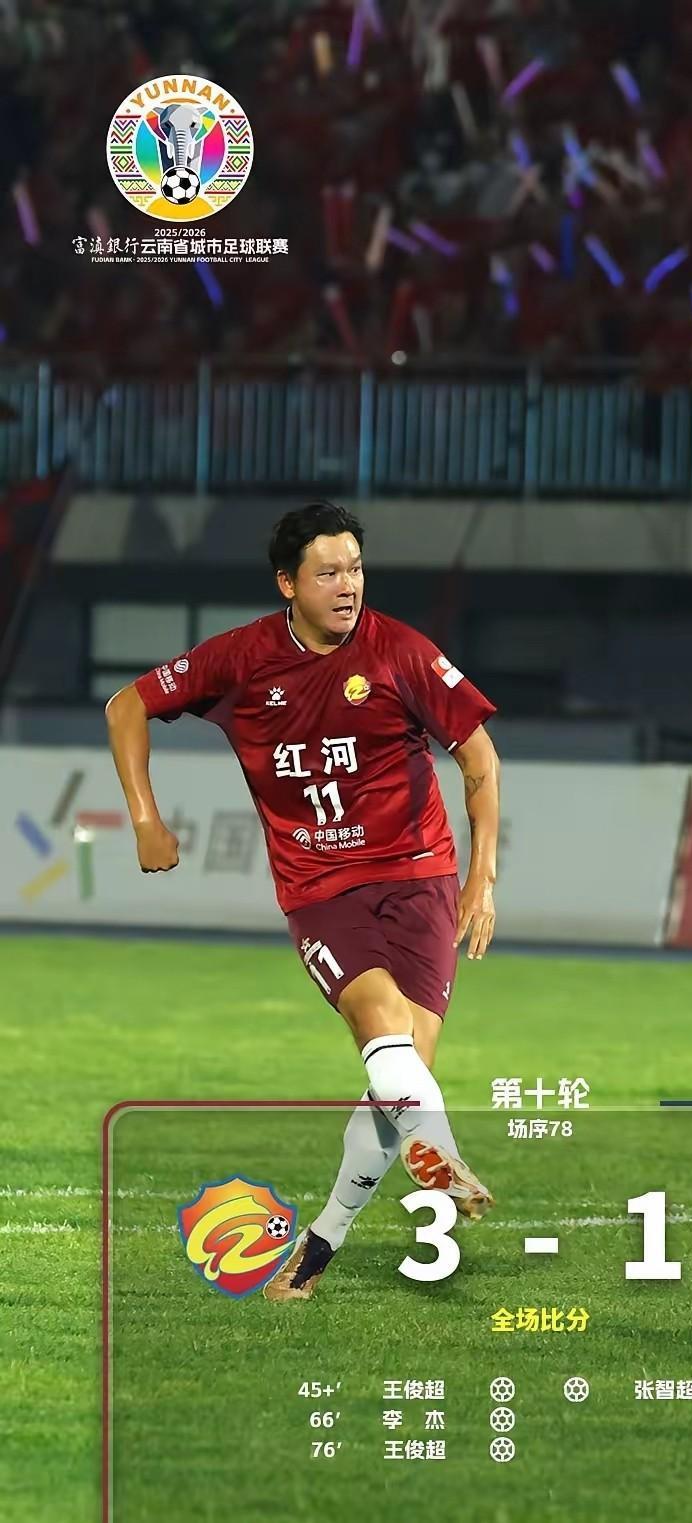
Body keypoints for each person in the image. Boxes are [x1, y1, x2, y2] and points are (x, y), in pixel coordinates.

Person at [105, 501, 501, 1301]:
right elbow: (127, 705)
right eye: (327, 572)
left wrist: (482, 876)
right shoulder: (242, 657)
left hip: (419, 876)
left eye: (354, 568)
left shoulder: (402, 652)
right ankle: (442, 1152)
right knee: (381, 1024)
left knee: (401, 1081)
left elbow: (478, 758)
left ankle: (319, 1245)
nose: (347, 585)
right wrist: (145, 817)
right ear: (288, 583)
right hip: (321, 888)